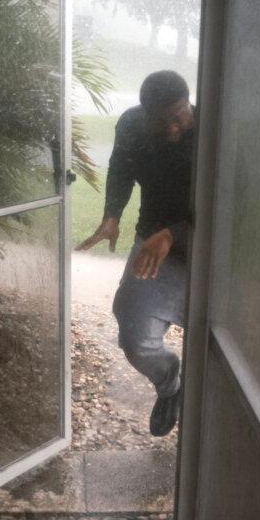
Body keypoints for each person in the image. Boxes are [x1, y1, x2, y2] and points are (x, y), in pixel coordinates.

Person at [77, 70, 194, 437]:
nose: (173, 129)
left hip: (209, 251)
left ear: (188, 102)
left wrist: (173, 234)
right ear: (146, 116)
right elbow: (121, 170)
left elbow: (233, 208)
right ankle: (170, 385)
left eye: (179, 116)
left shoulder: (214, 133)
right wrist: (112, 215)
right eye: (162, 123)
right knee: (134, 334)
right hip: (152, 248)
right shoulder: (132, 126)